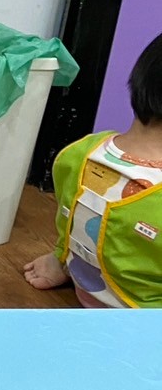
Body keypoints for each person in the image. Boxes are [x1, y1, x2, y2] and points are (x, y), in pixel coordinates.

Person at [25, 30, 162, 307]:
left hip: (89, 291)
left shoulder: (80, 153)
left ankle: (62, 263)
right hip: (143, 318)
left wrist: (60, 256)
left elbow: (69, 219)